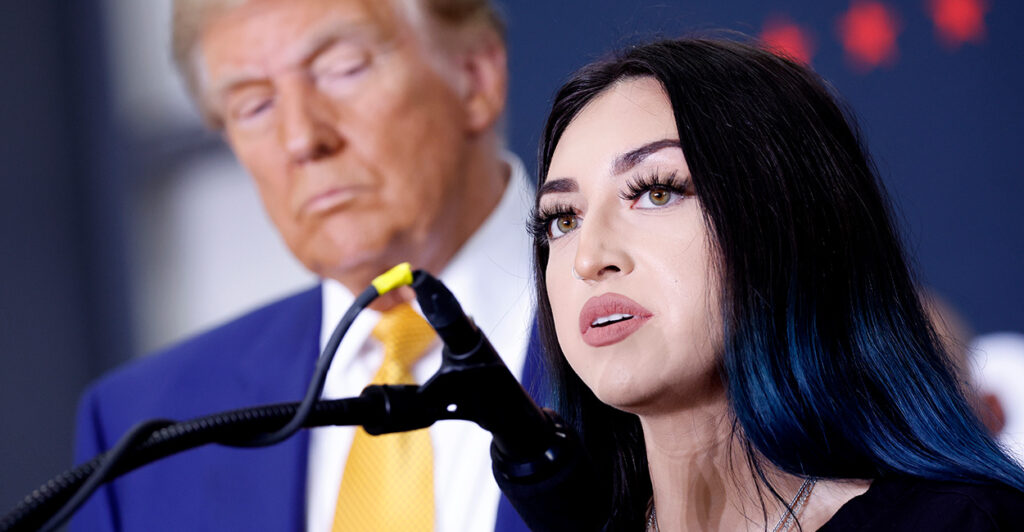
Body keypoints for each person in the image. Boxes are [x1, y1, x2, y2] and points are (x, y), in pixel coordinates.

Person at [72, 0, 538, 530]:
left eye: (343, 70)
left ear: (475, 77)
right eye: (253, 106)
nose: (301, 138)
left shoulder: (639, 327)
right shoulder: (142, 436)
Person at [529, 37, 1024, 530]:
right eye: (562, 220)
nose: (589, 258)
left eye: (657, 191)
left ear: (789, 221)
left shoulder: (961, 522)